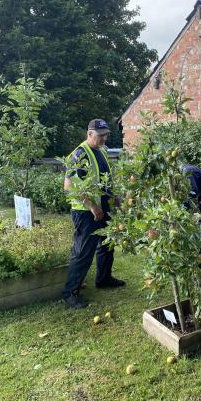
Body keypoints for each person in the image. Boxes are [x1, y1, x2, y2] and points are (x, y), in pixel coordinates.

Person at [62, 119, 125, 309]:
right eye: (100, 135)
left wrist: (114, 198)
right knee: (83, 252)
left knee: (107, 244)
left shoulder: (101, 151)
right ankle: (70, 293)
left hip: (104, 209)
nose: (104, 138)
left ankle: (104, 278)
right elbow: (68, 186)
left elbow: (104, 180)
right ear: (89, 134)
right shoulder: (79, 154)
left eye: (106, 134)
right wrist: (91, 206)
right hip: (86, 212)